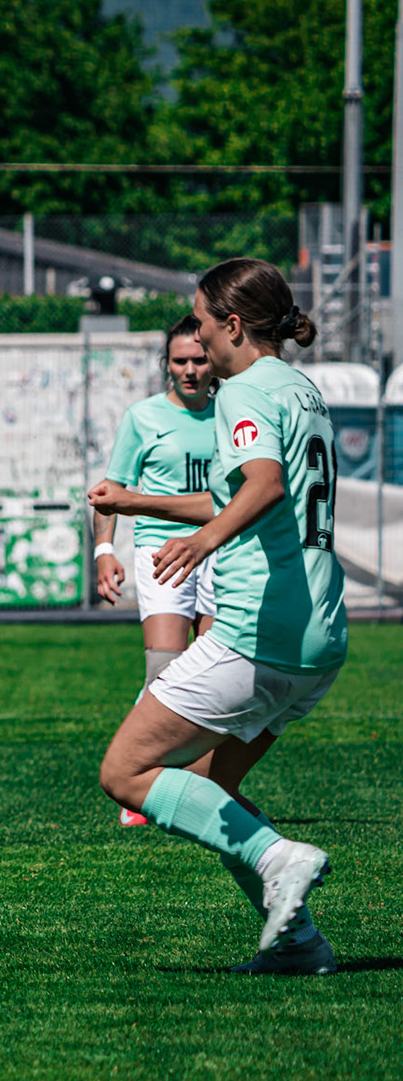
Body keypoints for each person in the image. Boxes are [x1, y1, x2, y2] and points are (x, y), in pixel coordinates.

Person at [88, 257, 346, 975]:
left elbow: (259, 486)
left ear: (233, 325)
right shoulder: (301, 390)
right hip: (319, 637)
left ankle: (278, 856)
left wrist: (204, 541)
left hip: (258, 632)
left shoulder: (242, 392)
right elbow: (249, 492)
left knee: (127, 770)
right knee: (209, 787)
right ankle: (297, 941)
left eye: (202, 322)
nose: (196, 339)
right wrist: (141, 505)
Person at [92, 314, 217, 826]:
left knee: (216, 676)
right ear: (166, 364)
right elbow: (109, 490)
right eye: (179, 361)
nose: (189, 370)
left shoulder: (234, 414)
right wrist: (105, 551)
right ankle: (139, 784)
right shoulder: (142, 417)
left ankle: (202, 794)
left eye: (198, 359)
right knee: (164, 670)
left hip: (219, 551)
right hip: (160, 554)